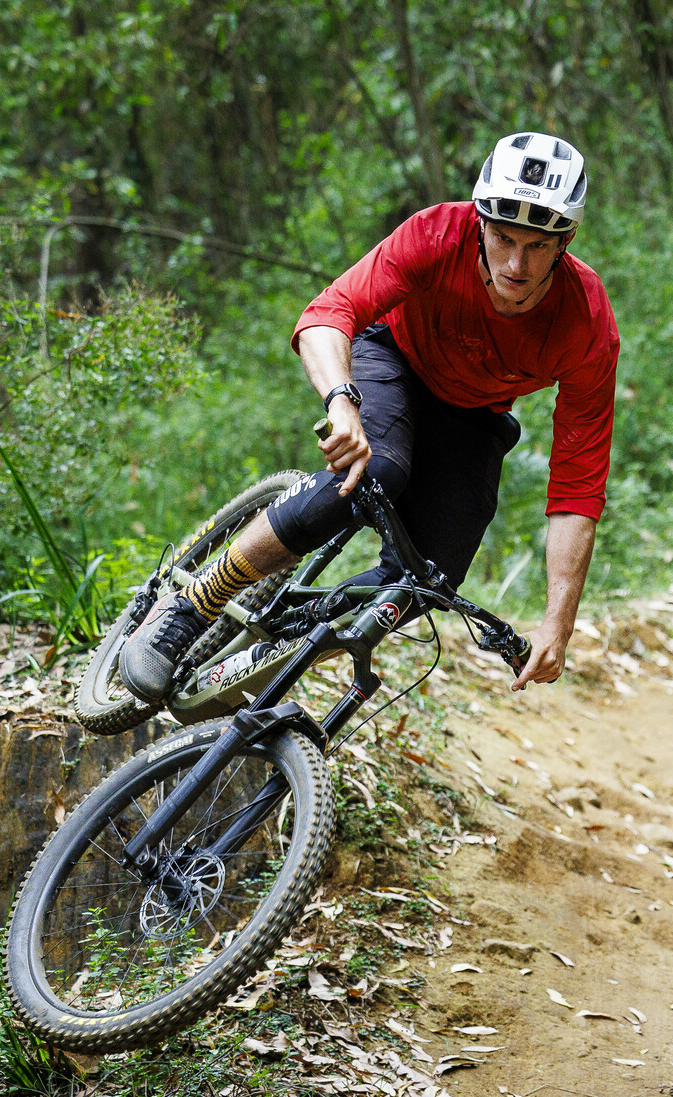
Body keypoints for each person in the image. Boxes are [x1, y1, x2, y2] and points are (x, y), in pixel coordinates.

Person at [118, 131, 618, 701]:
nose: (515, 263)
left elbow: (577, 486)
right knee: (373, 470)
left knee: (428, 580)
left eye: (536, 246)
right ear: (479, 220)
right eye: (502, 238)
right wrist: (341, 399)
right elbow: (330, 312)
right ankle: (189, 607)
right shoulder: (437, 233)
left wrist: (559, 622)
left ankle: (285, 644)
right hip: (394, 360)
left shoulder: (586, 322)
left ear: (566, 240)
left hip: (475, 413)